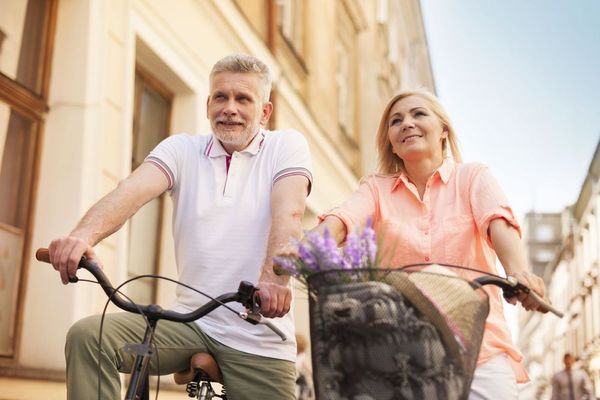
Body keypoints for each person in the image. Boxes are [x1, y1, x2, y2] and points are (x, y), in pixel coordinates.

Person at [47, 53, 312, 399]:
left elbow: (288, 214)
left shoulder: (285, 147)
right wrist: (82, 237)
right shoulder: (182, 150)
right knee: (88, 337)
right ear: (207, 105)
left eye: (243, 99)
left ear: (264, 111)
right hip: (190, 323)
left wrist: (274, 279)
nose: (229, 108)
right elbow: (129, 192)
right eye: (221, 97)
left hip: (258, 336)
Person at [307, 89, 547, 399]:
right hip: (402, 351)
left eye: (418, 114)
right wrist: (304, 248)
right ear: (391, 142)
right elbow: (341, 221)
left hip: (479, 347)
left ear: (443, 130)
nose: (407, 123)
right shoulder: (376, 189)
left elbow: (499, 223)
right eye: (396, 121)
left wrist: (519, 273)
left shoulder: (472, 178)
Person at [295, 334, 315, 400]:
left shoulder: (301, 357)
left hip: (301, 383)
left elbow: (309, 369)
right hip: (296, 382)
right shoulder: (296, 357)